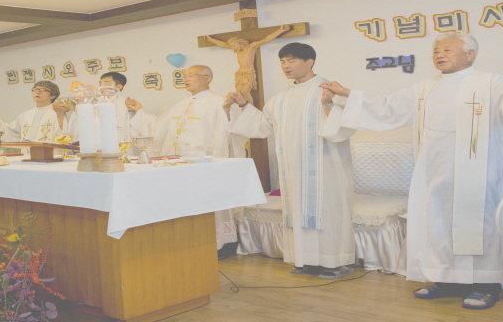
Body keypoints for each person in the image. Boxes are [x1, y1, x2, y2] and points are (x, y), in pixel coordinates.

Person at [320, 34, 503, 309]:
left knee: (478, 225)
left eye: (447, 49)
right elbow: (387, 108)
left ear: (470, 55)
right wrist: (346, 93)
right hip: (433, 172)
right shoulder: (425, 87)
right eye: (436, 50)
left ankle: (486, 284)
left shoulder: (489, 82)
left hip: (476, 175)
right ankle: (446, 280)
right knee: (437, 225)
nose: (439, 54)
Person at [224, 42, 358, 280]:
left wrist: (328, 104)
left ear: (309, 62)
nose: (286, 66)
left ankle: (337, 261)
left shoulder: (330, 90)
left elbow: (346, 124)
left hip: (327, 165)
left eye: (292, 60)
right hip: (293, 169)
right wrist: (243, 104)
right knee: (298, 210)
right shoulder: (281, 99)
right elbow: (263, 126)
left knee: (329, 210)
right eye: (283, 62)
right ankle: (306, 259)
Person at [127, 65, 246, 256]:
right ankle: (189, 245)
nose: (186, 79)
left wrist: (227, 112)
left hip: (204, 166)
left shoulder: (219, 102)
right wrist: (140, 112)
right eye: (185, 76)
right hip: (177, 167)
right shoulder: (181, 104)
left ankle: (218, 245)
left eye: (191, 75)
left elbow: (233, 129)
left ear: (207, 78)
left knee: (208, 203)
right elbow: (158, 128)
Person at [204, 24, 291, 105]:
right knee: (239, 93)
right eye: (231, 46)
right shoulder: (238, 51)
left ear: (239, 42)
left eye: (233, 45)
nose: (233, 47)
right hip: (240, 74)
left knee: (245, 91)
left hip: (249, 73)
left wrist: (280, 30)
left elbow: (266, 39)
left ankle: (250, 109)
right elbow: (223, 44)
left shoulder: (251, 47)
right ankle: (243, 109)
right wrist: (211, 40)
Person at [0, 80, 73, 143]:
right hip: (29, 154)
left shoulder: (59, 111)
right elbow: (10, 132)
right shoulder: (26, 115)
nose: (37, 92)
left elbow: (69, 132)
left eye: (42, 90)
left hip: (52, 155)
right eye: (35, 90)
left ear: (52, 96)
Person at [100, 72, 133, 145]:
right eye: (100, 83)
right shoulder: (96, 104)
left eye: (106, 83)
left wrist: (131, 111)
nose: (101, 87)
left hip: (122, 145)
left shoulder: (127, 103)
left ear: (119, 87)